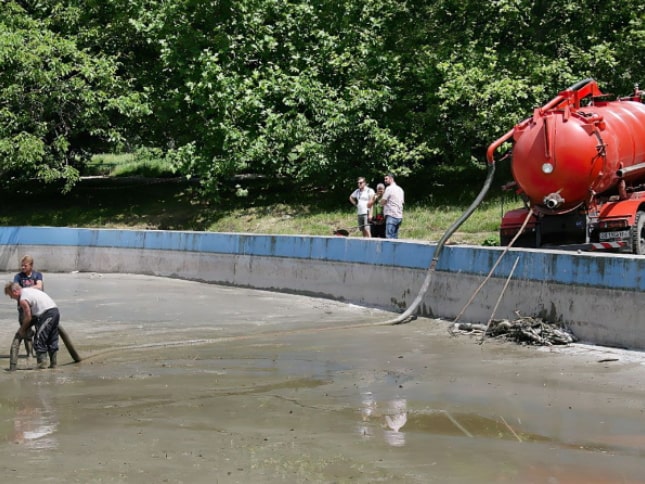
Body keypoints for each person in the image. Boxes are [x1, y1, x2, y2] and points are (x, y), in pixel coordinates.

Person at [5, 282, 60, 370]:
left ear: (15, 291)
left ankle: (42, 365)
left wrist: (22, 330)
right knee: (51, 338)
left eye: (10, 295)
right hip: (55, 311)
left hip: (46, 314)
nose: (11, 298)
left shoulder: (23, 299)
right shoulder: (28, 290)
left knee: (39, 339)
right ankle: (54, 364)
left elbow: (28, 317)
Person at [12, 255, 43, 357]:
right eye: (22, 266)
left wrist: (26, 289)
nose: (23, 268)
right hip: (23, 309)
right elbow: (17, 290)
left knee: (40, 330)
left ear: (31, 265)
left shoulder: (37, 275)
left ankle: (40, 352)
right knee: (25, 330)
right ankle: (29, 353)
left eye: (25, 266)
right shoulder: (18, 277)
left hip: (36, 308)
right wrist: (31, 289)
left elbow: (40, 286)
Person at [380, 173, 405, 239]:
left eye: (386, 179)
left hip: (391, 216)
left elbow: (383, 201)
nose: (385, 180)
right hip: (399, 217)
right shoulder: (400, 189)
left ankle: (389, 250)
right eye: (384, 179)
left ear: (391, 179)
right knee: (395, 239)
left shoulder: (389, 188)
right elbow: (402, 202)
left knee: (389, 238)